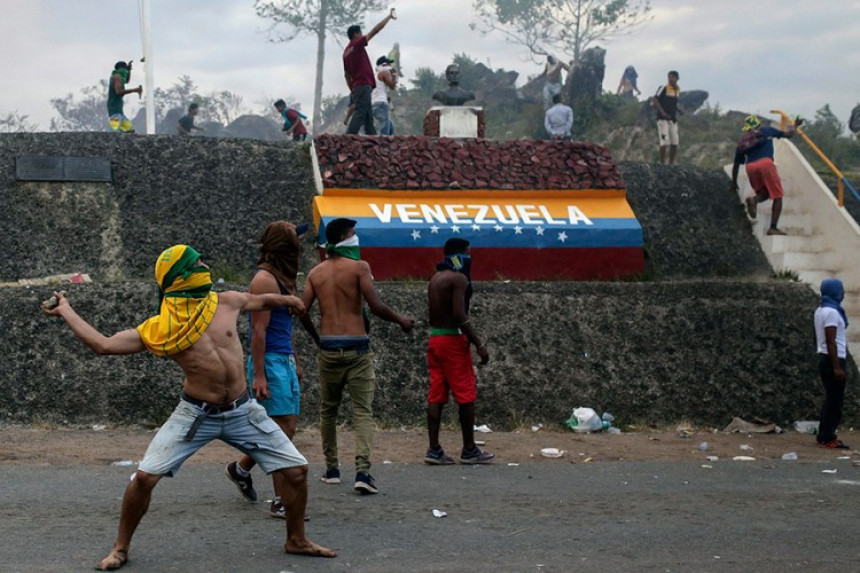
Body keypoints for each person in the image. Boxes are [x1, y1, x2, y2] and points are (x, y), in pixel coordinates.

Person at [43, 244, 335, 570]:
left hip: (242, 411)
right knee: (143, 479)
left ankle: (296, 539)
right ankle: (120, 548)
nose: (205, 265)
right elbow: (103, 344)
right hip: (196, 414)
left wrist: (288, 300)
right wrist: (66, 310)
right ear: (181, 275)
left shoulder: (225, 301)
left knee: (296, 471)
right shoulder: (162, 327)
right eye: (198, 263)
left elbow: (260, 301)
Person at [301, 218, 415, 495]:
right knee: (362, 410)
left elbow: (301, 310)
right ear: (344, 236)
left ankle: (331, 469)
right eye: (353, 232)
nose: (356, 236)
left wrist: (318, 339)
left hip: (328, 347)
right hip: (358, 347)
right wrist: (400, 319)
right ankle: (363, 472)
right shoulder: (359, 268)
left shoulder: (315, 273)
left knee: (328, 409)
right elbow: (375, 306)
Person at [225, 222, 313, 519]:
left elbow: (284, 328)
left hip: (283, 359)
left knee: (284, 428)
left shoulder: (280, 278)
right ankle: (280, 500)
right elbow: (258, 331)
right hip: (270, 362)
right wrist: (260, 374)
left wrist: (296, 361)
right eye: (295, 244)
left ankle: (241, 469)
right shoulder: (264, 281)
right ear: (284, 248)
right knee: (281, 429)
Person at [424, 238, 495, 466]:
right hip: (453, 340)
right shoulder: (459, 279)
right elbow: (459, 315)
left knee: (436, 395)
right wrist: (479, 344)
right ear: (461, 254)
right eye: (468, 253)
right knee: (466, 396)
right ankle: (470, 449)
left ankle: (434, 449)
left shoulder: (435, 279)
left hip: (435, 339)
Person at [729, 114, 800, 236]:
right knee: (778, 196)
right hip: (766, 164)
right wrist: (795, 125)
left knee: (765, 193)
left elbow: (736, 165)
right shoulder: (766, 131)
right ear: (758, 124)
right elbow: (789, 135)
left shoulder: (743, 142)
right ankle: (773, 227)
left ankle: (754, 200)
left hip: (750, 167)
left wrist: (734, 182)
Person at [343, 8, 397, 136]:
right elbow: (375, 30)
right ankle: (348, 137)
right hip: (363, 84)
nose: (362, 35)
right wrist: (388, 17)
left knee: (368, 116)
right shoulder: (357, 44)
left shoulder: (345, 52)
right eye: (360, 33)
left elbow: (346, 75)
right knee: (361, 112)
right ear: (356, 34)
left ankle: (372, 139)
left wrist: (352, 90)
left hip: (358, 86)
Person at [814, 278, 850, 449]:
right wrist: (837, 366)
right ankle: (828, 437)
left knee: (830, 400)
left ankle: (824, 435)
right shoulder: (832, 312)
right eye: (840, 290)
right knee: (835, 401)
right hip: (833, 359)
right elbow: (831, 340)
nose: (843, 293)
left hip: (826, 358)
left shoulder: (821, 310)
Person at [651, 71, 682, 164]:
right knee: (664, 141)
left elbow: (673, 102)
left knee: (675, 142)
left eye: (672, 77)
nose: (670, 79)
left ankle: (671, 163)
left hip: (672, 119)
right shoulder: (663, 88)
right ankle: (662, 163)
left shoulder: (677, 90)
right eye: (669, 77)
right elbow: (655, 99)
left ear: (677, 78)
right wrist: (662, 112)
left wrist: (678, 110)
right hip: (662, 119)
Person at [107, 61, 142, 133]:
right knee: (114, 131)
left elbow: (127, 80)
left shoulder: (120, 77)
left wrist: (129, 70)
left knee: (129, 129)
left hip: (119, 112)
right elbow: (118, 91)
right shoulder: (117, 77)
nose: (125, 72)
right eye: (125, 70)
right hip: (114, 111)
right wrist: (134, 90)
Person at [371, 56, 397, 136]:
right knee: (385, 128)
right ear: (384, 64)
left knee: (390, 128)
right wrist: (394, 75)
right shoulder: (384, 73)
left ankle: (385, 145)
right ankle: (382, 145)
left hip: (374, 103)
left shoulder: (376, 75)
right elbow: (392, 86)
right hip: (381, 103)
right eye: (388, 63)